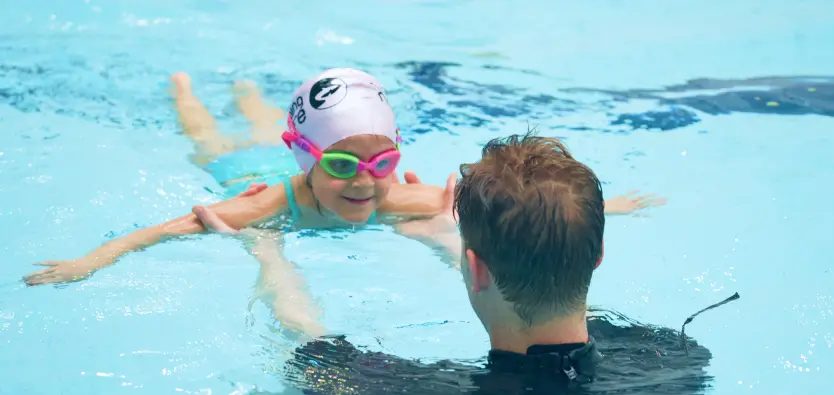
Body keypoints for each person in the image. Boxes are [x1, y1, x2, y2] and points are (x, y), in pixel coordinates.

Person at [22, 68, 665, 336]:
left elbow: (508, 210)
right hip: (238, 168)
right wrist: (93, 260)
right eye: (341, 165)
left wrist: (614, 210)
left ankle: (248, 88)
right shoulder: (265, 205)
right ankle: (185, 88)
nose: (365, 182)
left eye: (381, 161)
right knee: (209, 135)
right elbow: (164, 230)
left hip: (285, 149)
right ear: (307, 159)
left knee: (249, 106)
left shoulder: (395, 196)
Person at [195, 132, 732, 394]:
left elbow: (306, 344)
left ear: (473, 268)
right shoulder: (676, 360)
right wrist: (444, 238)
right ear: (598, 257)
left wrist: (265, 250)